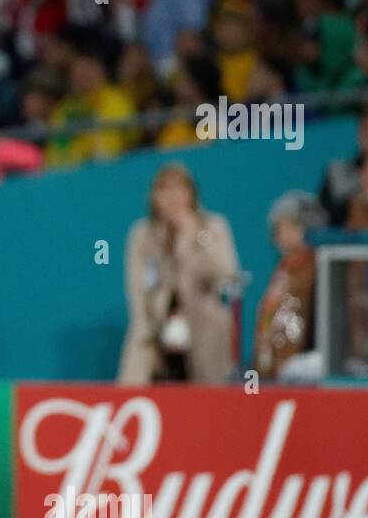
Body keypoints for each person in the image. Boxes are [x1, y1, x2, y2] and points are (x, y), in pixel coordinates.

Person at [119, 162, 239, 384]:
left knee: (209, 396)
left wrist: (192, 234)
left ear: (192, 194)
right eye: (164, 190)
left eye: (179, 189)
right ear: (153, 197)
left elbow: (226, 272)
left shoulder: (212, 226)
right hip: (157, 325)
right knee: (138, 374)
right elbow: (136, 287)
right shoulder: (143, 234)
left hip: (203, 325)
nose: (172, 197)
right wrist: (145, 331)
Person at [254, 191, 325, 381]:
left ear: (308, 229)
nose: (284, 235)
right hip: (273, 368)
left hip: (302, 366)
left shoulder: (317, 270)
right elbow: (268, 317)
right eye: (280, 228)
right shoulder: (281, 272)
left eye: (292, 227)